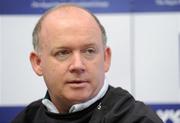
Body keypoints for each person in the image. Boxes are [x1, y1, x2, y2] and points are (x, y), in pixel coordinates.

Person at [12, 4, 163, 123]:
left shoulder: (137, 119)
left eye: (89, 51)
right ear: (38, 63)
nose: (78, 65)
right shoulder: (26, 118)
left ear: (106, 58)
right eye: (63, 53)